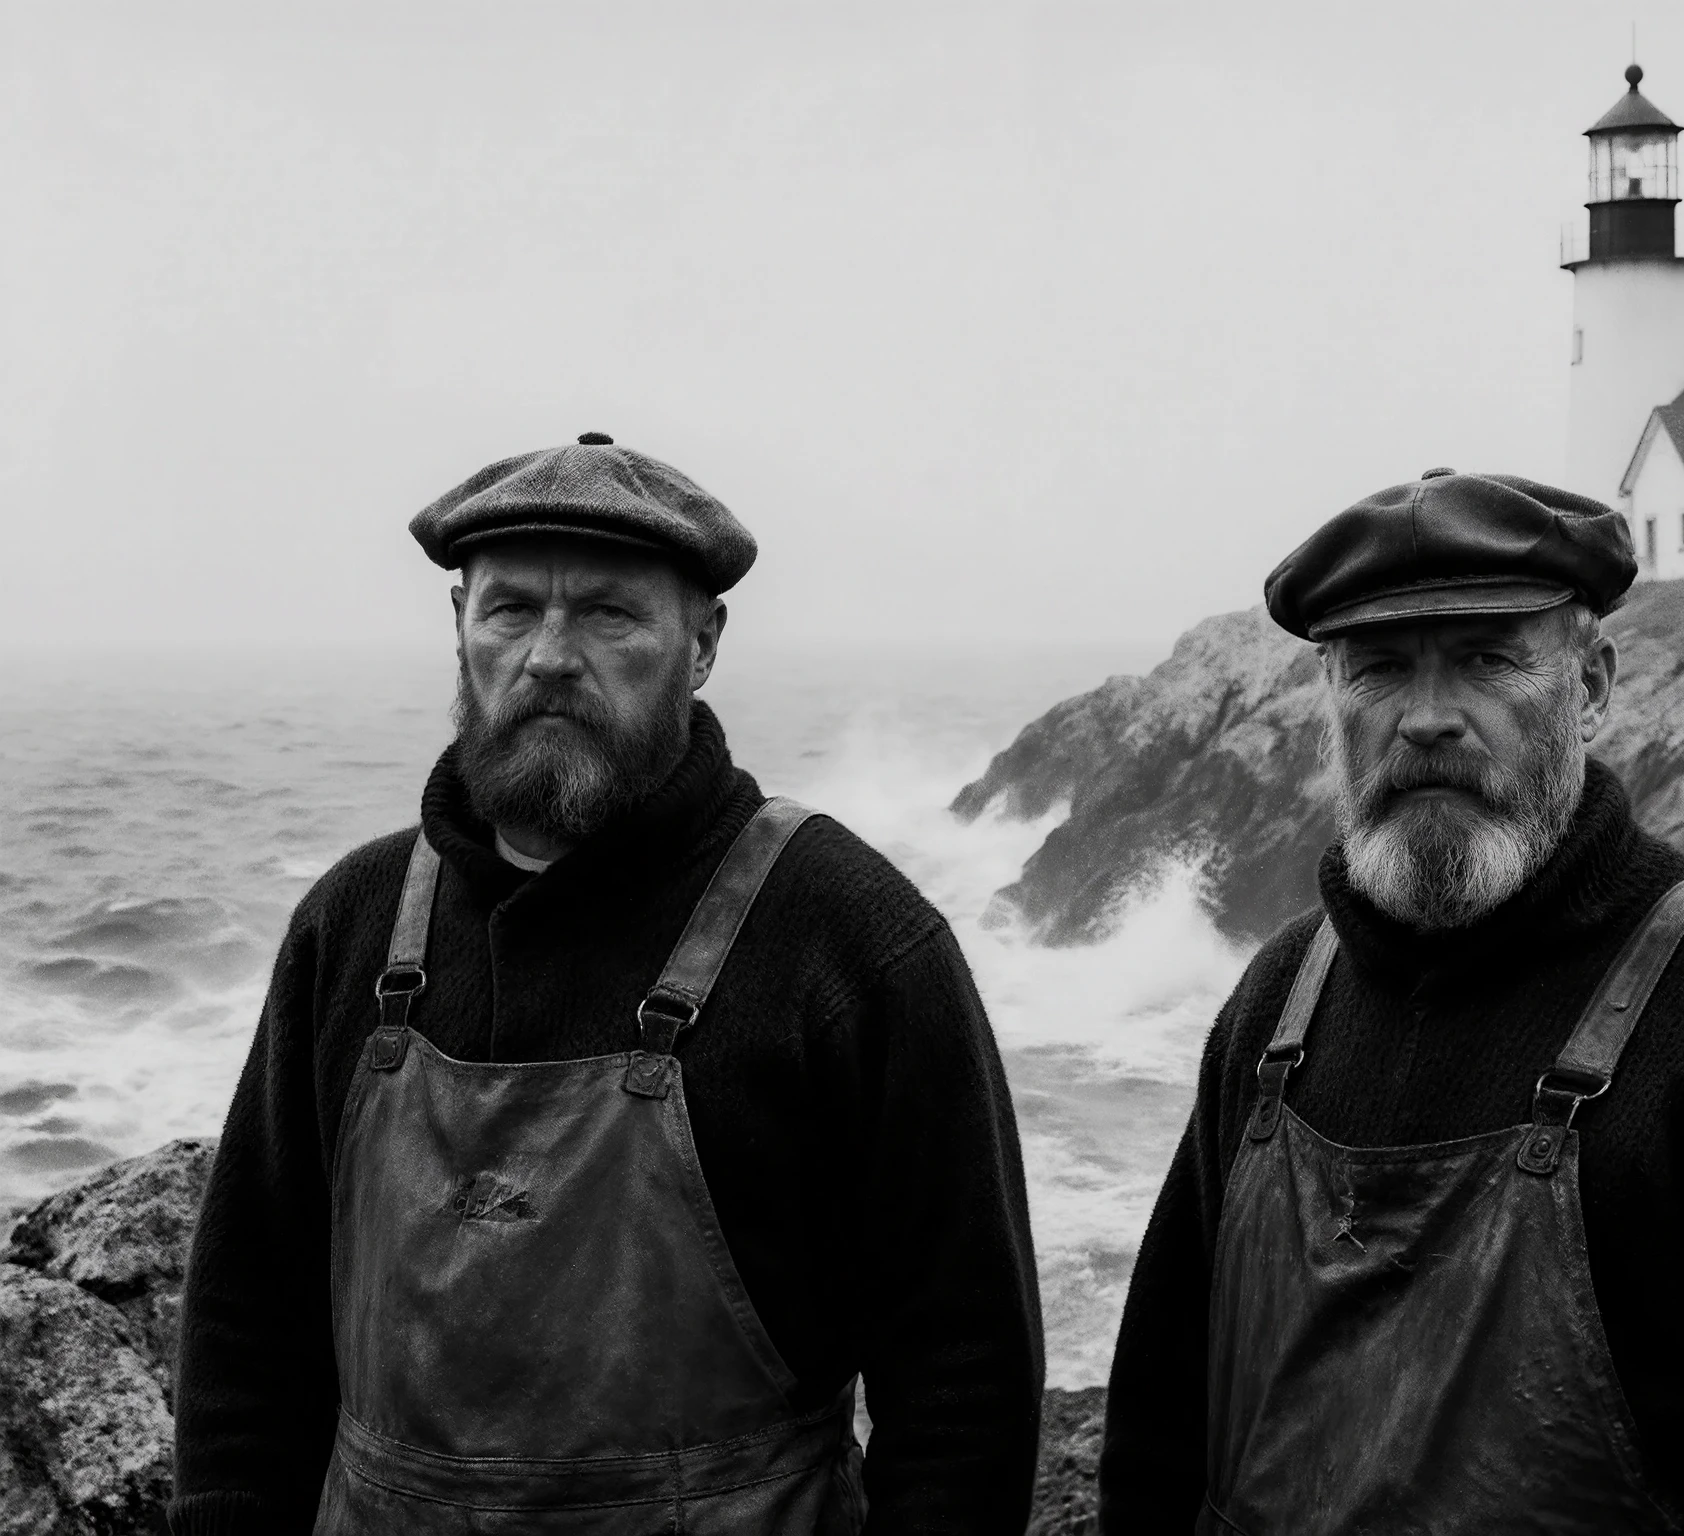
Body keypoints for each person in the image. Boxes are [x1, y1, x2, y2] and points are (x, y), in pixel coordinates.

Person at [171, 432, 1045, 1535]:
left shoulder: (848, 940)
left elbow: (964, 1390)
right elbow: (249, 1337)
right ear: (458, 630)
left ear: (702, 644)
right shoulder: (348, 926)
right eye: (509, 610)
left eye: (606, 613)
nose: (546, 655)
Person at [1097, 468, 1684, 1533]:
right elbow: (1153, 1441)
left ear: (1593, 684)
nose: (1427, 720)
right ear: (1326, 696)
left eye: (1484, 659)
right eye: (1377, 669)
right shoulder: (1273, 1007)